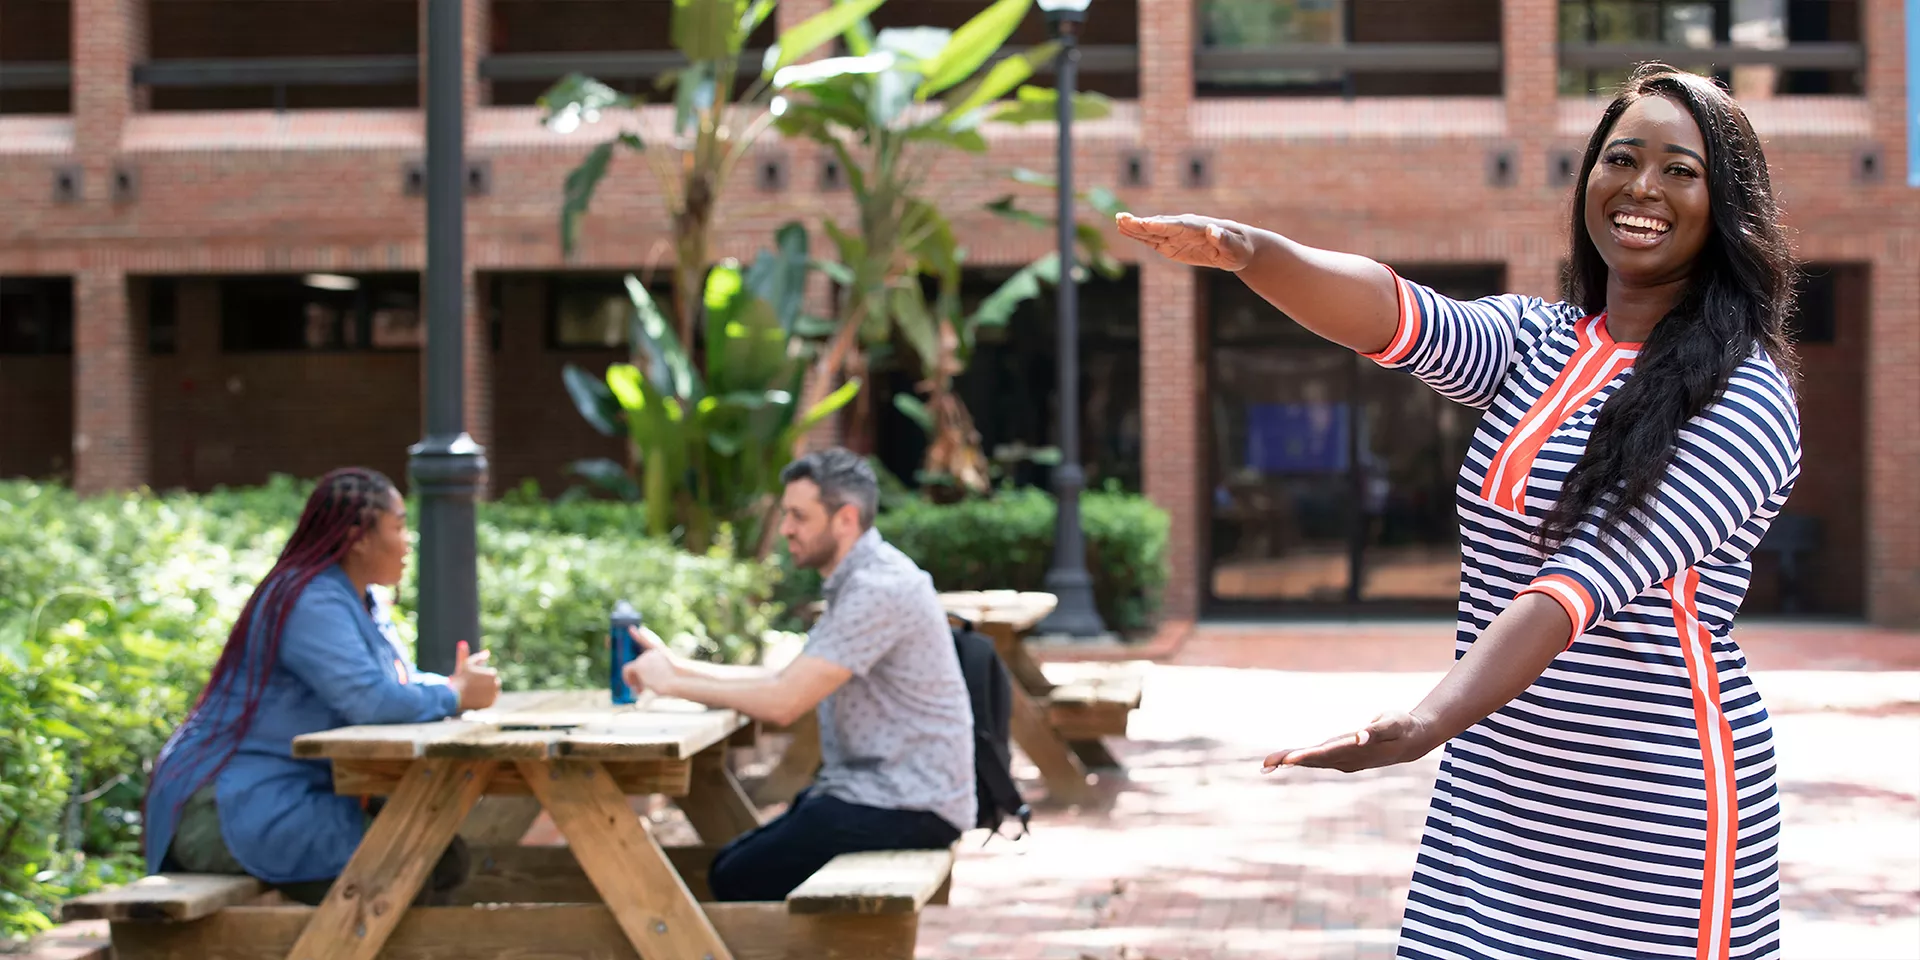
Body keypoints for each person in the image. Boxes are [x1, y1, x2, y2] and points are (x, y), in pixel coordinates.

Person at [1121, 66, 1799, 960]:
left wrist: (1430, 719)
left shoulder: (1744, 395)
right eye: (1622, 158)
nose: (1643, 187)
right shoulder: (1540, 342)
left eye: (1681, 170)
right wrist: (1253, 252)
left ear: (1726, 208)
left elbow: (1581, 580)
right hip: (1498, 785)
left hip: (1652, 810)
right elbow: (1398, 316)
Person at [621, 447, 973, 901]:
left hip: (911, 803)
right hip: (880, 793)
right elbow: (782, 680)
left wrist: (673, 683)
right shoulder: (861, 580)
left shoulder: (879, 589)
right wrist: (676, 666)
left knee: (735, 877)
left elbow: (784, 702)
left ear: (845, 519)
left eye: (798, 516)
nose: (785, 528)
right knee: (727, 865)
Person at [143, 467, 500, 904]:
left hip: (283, 798)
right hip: (229, 808)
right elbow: (371, 700)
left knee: (437, 857)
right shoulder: (310, 599)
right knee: (417, 863)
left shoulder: (358, 595)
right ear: (359, 537)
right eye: (400, 525)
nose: (409, 541)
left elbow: (393, 682)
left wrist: (450, 685)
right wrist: (455, 693)